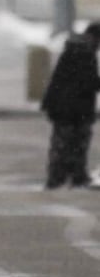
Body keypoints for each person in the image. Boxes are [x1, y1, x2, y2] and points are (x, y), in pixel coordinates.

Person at [40, 22, 99, 190]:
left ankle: (65, 176)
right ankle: (64, 177)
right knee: (72, 142)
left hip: (65, 106)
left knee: (67, 142)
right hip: (71, 108)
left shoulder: (76, 49)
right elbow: (87, 83)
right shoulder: (84, 53)